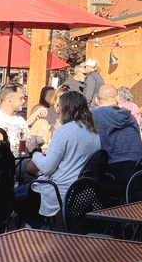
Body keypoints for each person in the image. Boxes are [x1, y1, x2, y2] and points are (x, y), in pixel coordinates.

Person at [24, 91, 101, 226]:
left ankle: (36, 233)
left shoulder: (64, 130)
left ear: (66, 108)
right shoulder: (93, 130)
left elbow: (47, 168)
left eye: (59, 106)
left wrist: (34, 150)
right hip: (84, 190)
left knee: (19, 195)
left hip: (62, 191)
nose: (57, 109)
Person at [92, 83, 142, 190]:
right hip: (136, 172)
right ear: (117, 99)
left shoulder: (93, 116)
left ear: (97, 100)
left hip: (110, 174)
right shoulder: (130, 117)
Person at [0, 84, 27, 150]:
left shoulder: (20, 119)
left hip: (20, 157)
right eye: (21, 98)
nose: (24, 101)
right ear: (9, 99)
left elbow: (27, 138)